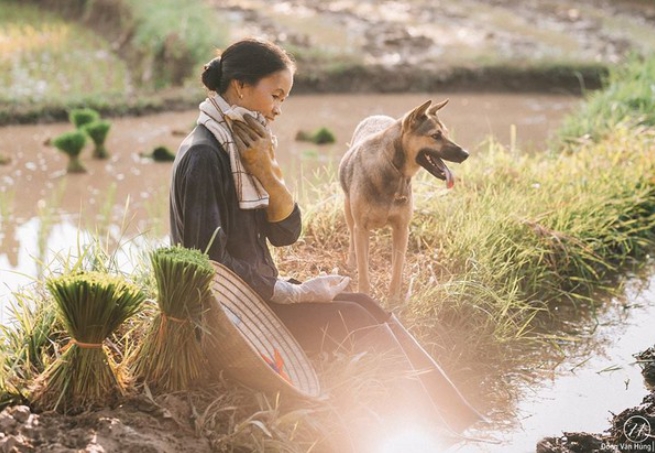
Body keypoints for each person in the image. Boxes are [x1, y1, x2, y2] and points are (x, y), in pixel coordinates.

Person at [169, 37, 483, 444]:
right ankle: (439, 434)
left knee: (365, 305)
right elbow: (208, 265)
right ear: (241, 87)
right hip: (234, 319)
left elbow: (287, 233)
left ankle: (461, 417)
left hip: (259, 298)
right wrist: (292, 294)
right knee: (359, 323)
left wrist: (267, 171)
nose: (279, 109)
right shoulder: (204, 155)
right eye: (275, 95)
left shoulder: (245, 150)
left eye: (284, 98)